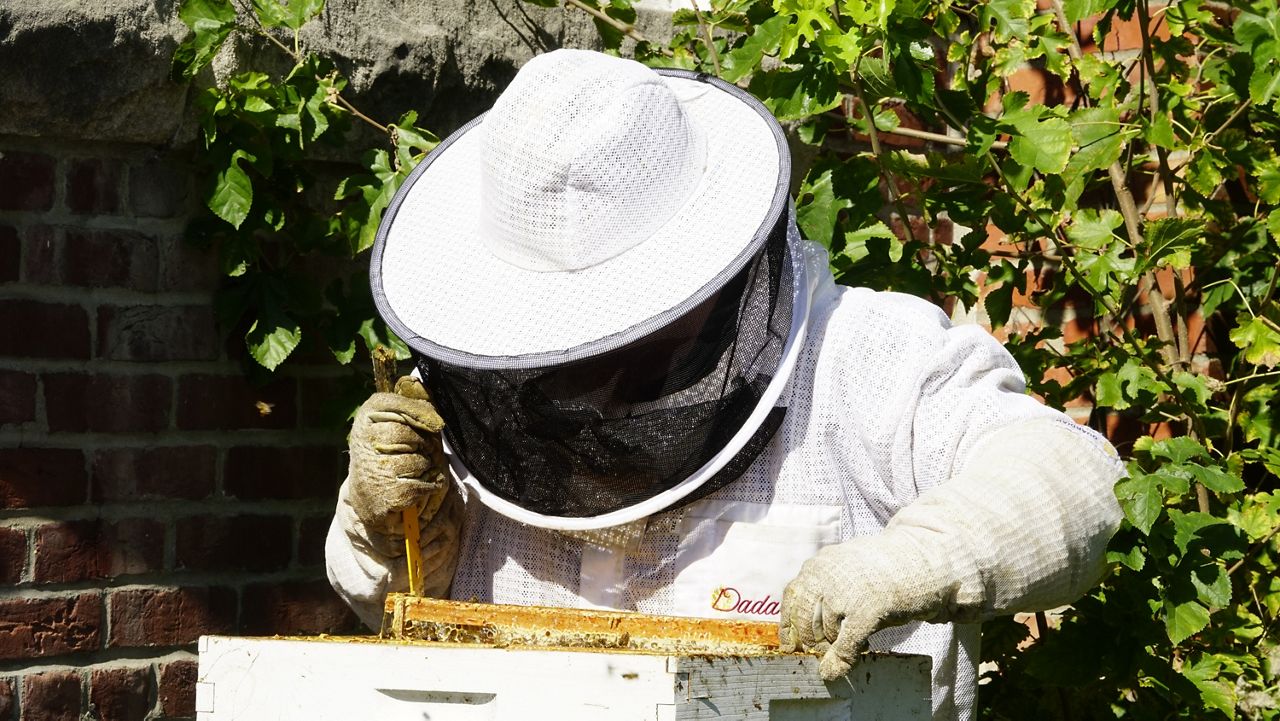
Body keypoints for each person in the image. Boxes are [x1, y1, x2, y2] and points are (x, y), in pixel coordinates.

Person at [325, 48, 1124, 721]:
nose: (591, 348)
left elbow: (1069, 478)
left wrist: (913, 561)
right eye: (566, 317)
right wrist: (380, 527)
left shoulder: (865, 355)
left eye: (629, 308)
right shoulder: (498, 388)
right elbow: (405, 618)